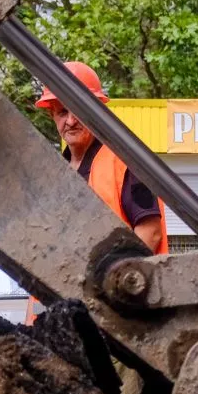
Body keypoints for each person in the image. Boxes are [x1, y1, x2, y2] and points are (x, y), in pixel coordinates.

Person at [35, 61, 167, 255]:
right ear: (51, 115)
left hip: (122, 281)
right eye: (63, 112)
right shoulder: (56, 173)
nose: (71, 121)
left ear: (95, 110)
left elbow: (151, 232)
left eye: (77, 110)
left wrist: (115, 277)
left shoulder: (124, 161)